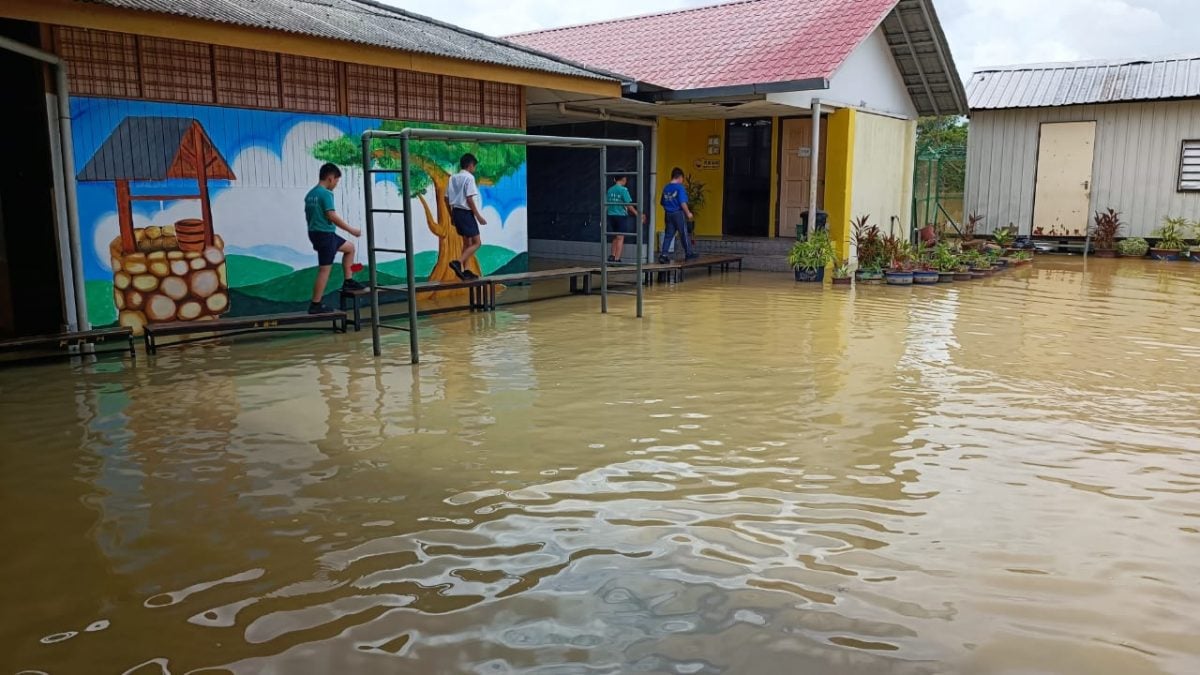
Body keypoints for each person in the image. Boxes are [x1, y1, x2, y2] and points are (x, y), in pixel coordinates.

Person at [306, 162, 364, 314]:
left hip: (318, 233)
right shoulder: (325, 194)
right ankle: (315, 304)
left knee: (349, 248)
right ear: (330, 178)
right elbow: (331, 216)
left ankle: (348, 281)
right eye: (336, 181)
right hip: (325, 235)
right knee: (324, 270)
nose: (336, 184)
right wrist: (352, 230)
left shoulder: (311, 194)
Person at [445, 153, 487, 280]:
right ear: (470, 165)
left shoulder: (453, 178)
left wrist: (451, 215)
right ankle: (458, 262)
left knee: (467, 243)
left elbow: (445, 198)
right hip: (466, 213)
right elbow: (469, 199)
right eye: (474, 166)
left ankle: (467, 270)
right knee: (477, 242)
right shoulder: (469, 178)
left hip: (456, 213)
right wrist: (478, 216)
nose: (474, 169)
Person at [659, 167, 696, 263]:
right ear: (679, 177)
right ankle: (689, 253)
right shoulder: (680, 187)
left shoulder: (666, 187)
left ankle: (663, 255)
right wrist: (688, 213)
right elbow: (682, 202)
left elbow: (662, 202)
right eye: (682, 179)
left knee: (668, 235)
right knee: (683, 233)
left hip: (668, 214)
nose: (682, 181)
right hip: (678, 214)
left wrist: (669, 208)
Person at [606, 175, 642, 263]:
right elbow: (628, 204)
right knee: (620, 237)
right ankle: (617, 259)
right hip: (620, 215)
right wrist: (637, 214)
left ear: (614, 179)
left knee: (615, 236)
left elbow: (606, 204)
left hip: (610, 215)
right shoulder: (623, 190)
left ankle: (612, 255)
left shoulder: (610, 190)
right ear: (624, 179)